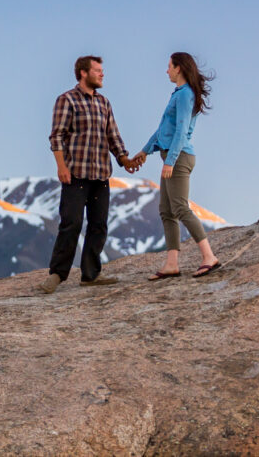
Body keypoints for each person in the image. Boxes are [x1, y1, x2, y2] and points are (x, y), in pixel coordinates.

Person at [38, 55, 142, 294]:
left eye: (102, 70)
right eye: (97, 70)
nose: (102, 74)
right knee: (71, 223)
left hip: (101, 176)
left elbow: (113, 136)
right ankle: (56, 275)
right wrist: (61, 166)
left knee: (99, 226)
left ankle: (90, 275)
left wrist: (125, 159)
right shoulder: (67, 100)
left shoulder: (104, 103)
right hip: (75, 174)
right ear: (83, 73)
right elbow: (57, 136)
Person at [131, 52, 221, 280]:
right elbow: (164, 130)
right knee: (167, 211)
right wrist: (145, 150)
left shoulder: (184, 95)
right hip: (172, 156)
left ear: (178, 68)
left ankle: (209, 257)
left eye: (169, 66)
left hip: (179, 158)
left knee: (180, 207)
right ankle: (172, 264)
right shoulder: (179, 94)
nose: (166, 70)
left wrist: (170, 161)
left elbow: (180, 131)